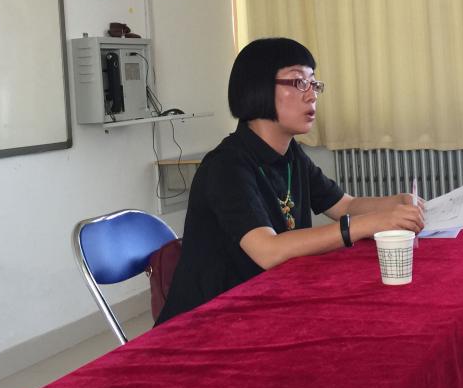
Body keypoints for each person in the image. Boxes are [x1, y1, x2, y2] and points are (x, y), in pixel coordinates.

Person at [156, 38, 424, 323]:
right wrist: (366, 225)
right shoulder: (226, 166)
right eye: (299, 83)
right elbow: (268, 250)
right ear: (257, 87)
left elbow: (344, 205)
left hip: (270, 300)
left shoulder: (290, 154)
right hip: (210, 319)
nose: (312, 96)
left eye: (314, 84)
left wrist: (397, 203)